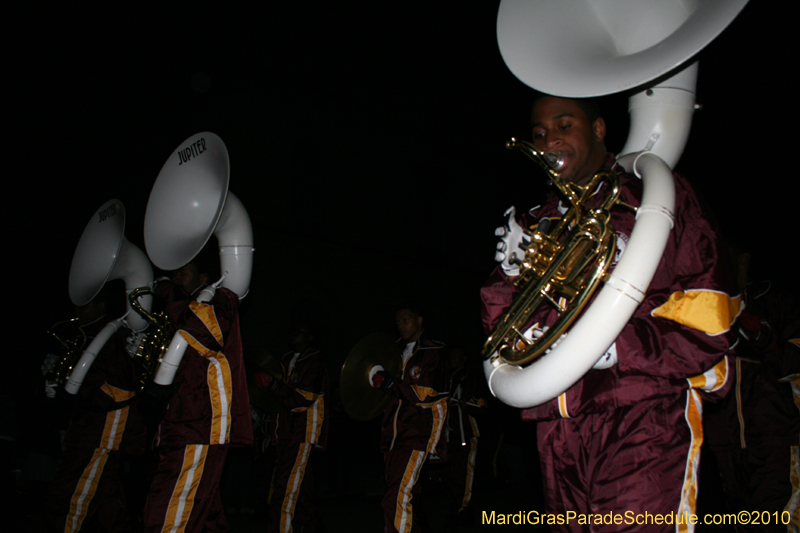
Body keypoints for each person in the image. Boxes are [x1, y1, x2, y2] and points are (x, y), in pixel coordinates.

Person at [481, 95, 741, 530]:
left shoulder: (653, 197)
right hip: (557, 426)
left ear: (599, 129)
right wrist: (511, 276)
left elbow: (713, 310)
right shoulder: (535, 223)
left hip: (643, 415)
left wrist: (613, 346)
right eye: (540, 134)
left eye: (564, 126)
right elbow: (500, 335)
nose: (549, 141)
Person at [143, 256, 253, 533]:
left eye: (183, 272)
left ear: (203, 277)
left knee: (166, 518)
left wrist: (168, 292)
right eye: (175, 274)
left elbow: (206, 330)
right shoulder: (179, 311)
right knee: (206, 519)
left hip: (197, 426)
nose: (176, 278)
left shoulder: (219, 300)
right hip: (177, 426)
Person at [704, 247, 800, 530]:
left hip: (776, 438)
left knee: (778, 516)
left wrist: (761, 336)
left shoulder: (777, 302)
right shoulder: (707, 305)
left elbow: (794, 362)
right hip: (723, 443)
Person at [45, 291, 147, 533]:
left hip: (99, 432)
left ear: (101, 305)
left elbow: (119, 387)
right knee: (108, 504)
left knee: (71, 496)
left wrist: (73, 392)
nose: (78, 311)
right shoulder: (85, 336)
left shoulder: (115, 335)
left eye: (85, 305)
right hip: (88, 427)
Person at [373, 306, 449, 533]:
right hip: (391, 435)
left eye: (405, 320)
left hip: (417, 433)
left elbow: (425, 395)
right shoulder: (392, 352)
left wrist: (390, 384)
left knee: (396, 497)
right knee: (408, 496)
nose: (401, 325)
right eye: (397, 322)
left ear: (419, 320)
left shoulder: (433, 351)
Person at [256, 323, 329, 533]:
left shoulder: (313, 361)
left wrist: (274, 386)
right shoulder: (287, 359)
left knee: (284, 487)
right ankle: (312, 526)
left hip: (301, 431)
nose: (294, 333)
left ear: (311, 336)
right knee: (301, 487)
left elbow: (303, 398)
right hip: (285, 431)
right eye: (293, 329)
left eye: (300, 330)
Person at [445, 346, 485, 527]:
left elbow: (482, 407)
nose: (453, 358)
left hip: (467, 434)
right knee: (453, 475)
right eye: (451, 354)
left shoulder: (469, 379)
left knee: (465, 474)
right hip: (451, 436)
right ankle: (455, 510)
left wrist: (467, 405)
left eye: (456, 354)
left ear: (464, 357)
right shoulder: (448, 380)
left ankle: (464, 512)